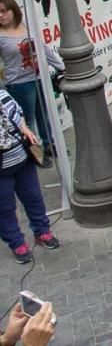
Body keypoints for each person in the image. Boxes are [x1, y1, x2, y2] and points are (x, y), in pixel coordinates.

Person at [0, 0, 64, 168]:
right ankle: (35, 154)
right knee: (27, 122)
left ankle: (50, 146)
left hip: (39, 78)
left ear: (13, 10)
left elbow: (42, 49)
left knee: (44, 115)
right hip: (19, 84)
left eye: (4, 11)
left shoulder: (25, 27)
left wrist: (61, 67)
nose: (1, 15)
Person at [0, 89, 59, 264]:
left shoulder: (3, 95)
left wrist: (24, 128)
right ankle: (17, 243)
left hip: (23, 160)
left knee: (33, 197)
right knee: (5, 209)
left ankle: (42, 232)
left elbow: (19, 113)